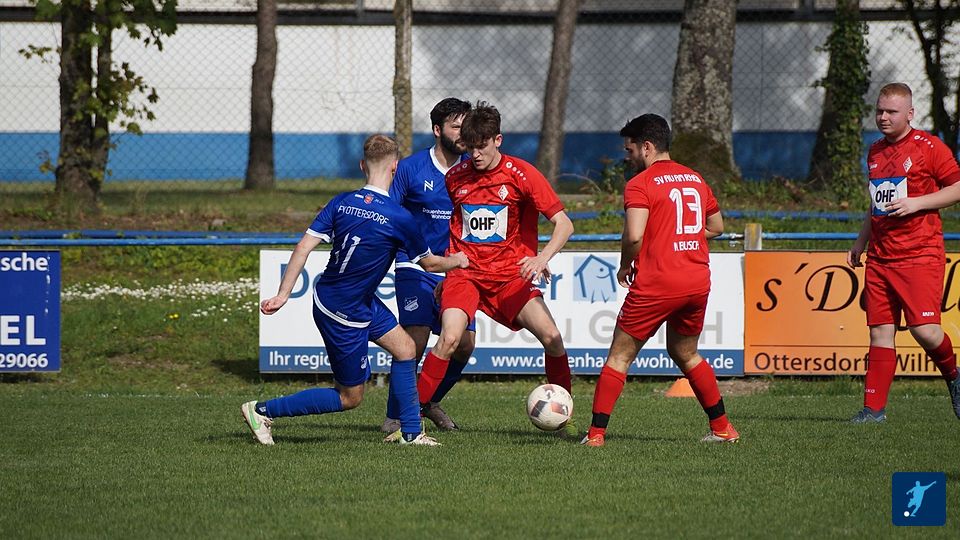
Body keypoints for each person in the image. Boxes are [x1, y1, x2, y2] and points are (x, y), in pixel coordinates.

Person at [241, 134, 469, 446]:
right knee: (350, 396)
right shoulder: (399, 216)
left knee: (406, 349)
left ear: (362, 165)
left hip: (350, 299)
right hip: (342, 312)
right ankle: (262, 410)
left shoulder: (341, 202)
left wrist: (283, 294)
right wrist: (457, 260)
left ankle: (410, 432)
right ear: (395, 167)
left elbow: (303, 246)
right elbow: (429, 264)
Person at [415, 101, 578, 435]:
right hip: (466, 276)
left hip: (509, 278)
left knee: (552, 338)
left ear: (498, 140)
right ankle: (409, 421)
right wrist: (449, 273)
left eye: (482, 146)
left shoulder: (522, 174)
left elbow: (564, 224)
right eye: (470, 147)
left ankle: (562, 418)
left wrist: (541, 258)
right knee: (449, 338)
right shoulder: (456, 178)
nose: (475, 154)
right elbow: (458, 229)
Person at [581, 113, 737, 447]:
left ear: (647, 147)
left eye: (630, 150)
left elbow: (634, 236)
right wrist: (679, 239)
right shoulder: (695, 178)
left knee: (619, 357)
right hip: (696, 281)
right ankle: (723, 429)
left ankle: (594, 435)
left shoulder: (640, 184)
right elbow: (717, 227)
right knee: (685, 352)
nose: (627, 157)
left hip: (658, 283)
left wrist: (625, 265)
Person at [847, 82, 960, 423]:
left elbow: (957, 187)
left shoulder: (929, 147)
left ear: (910, 113)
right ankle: (873, 411)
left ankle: (954, 375)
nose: (883, 117)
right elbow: (876, 203)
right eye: (879, 110)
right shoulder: (875, 151)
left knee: (925, 331)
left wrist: (917, 203)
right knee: (880, 331)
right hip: (881, 257)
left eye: (891, 112)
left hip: (919, 254)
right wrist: (861, 241)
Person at [381, 98, 477, 433]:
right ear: (437, 130)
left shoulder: (474, 169)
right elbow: (389, 214)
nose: (462, 133)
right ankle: (395, 416)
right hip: (415, 265)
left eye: (466, 126)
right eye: (455, 126)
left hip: (457, 268)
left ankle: (429, 401)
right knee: (416, 338)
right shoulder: (411, 169)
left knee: (464, 344)